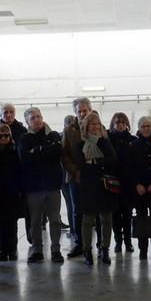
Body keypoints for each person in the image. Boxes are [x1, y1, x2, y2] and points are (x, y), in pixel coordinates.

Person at [18, 107, 64, 263]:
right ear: (27, 122)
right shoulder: (24, 139)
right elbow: (25, 159)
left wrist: (37, 150)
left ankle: (56, 249)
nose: (37, 120)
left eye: (38, 116)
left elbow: (56, 153)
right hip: (34, 187)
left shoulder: (53, 135)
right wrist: (46, 151)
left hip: (53, 186)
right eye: (32, 118)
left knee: (55, 219)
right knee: (35, 221)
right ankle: (37, 249)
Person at [74, 112, 118, 266]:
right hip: (88, 186)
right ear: (86, 127)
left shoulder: (104, 142)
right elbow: (81, 165)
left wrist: (94, 162)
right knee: (88, 220)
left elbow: (113, 160)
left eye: (98, 124)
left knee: (106, 219)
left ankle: (104, 248)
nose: (96, 127)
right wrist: (100, 163)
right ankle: (87, 251)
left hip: (104, 185)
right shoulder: (80, 144)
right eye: (93, 124)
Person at [127, 116, 151, 260]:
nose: (146, 128)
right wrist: (136, 184)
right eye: (143, 126)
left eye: (148, 125)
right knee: (141, 220)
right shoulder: (133, 145)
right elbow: (129, 168)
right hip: (140, 190)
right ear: (139, 128)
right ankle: (143, 250)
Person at [62, 98, 93, 258]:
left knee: (94, 211)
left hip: (93, 176)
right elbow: (65, 154)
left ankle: (98, 245)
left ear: (90, 110)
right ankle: (79, 243)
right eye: (79, 111)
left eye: (84, 111)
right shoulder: (68, 130)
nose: (82, 114)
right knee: (77, 211)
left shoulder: (97, 127)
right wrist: (75, 171)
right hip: (75, 177)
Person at [0, 124, 25, 261]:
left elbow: (20, 171)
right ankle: (3, 251)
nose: (4, 138)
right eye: (0, 135)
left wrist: (20, 189)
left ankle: (12, 250)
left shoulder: (15, 150)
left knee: (12, 224)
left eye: (6, 135)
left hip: (12, 193)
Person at [108, 112, 136, 253]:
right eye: (117, 122)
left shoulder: (133, 140)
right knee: (115, 215)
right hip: (112, 183)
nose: (120, 125)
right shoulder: (107, 140)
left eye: (123, 123)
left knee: (127, 215)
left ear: (127, 124)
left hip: (128, 184)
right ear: (113, 124)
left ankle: (128, 242)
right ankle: (118, 241)